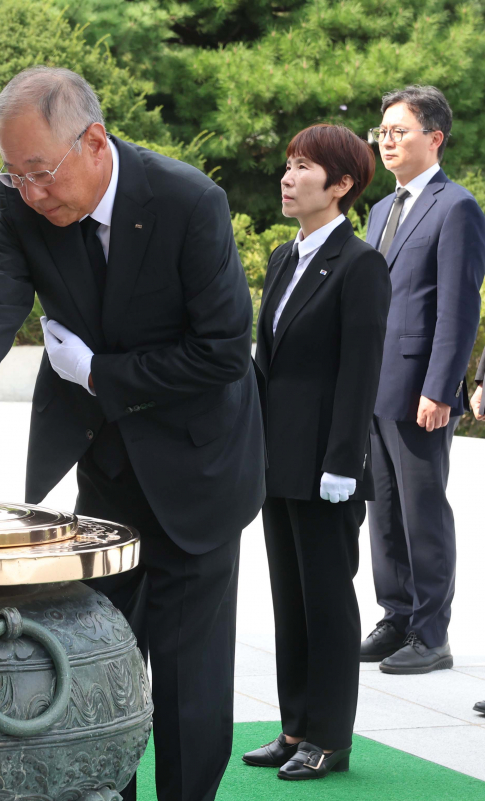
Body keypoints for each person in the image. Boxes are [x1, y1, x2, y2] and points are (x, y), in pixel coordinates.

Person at [0, 66, 265, 801]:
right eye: (14, 174)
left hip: (199, 469)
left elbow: (225, 349)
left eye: (40, 172)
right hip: (107, 467)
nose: (30, 192)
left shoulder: (188, 201)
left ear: (94, 141)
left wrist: (101, 373)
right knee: (98, 662)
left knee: (191, 682)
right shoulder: (24, 198)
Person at [241, 124, 389, 780]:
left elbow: (360, 374)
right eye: (288, 164)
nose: (288, 176)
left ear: (342, 185)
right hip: (278, 461)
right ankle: (294, 724)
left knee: (328, 603)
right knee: (289, 598)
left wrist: (342, 463)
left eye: (304, 167)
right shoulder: (283, 256)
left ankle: (329, 736)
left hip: (327, 467)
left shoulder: (360, 265)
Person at [360, 86, 485, 674]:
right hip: (374, 387)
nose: (387, 141)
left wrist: (441, 388)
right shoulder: (380, 210)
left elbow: (460, 308)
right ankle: (397, 616)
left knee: (423, 510)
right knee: (383, 510)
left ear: (434, 138)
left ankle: (433, 635)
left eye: (399, 131)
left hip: (420, 390)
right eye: (382, 131)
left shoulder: (456, 206)